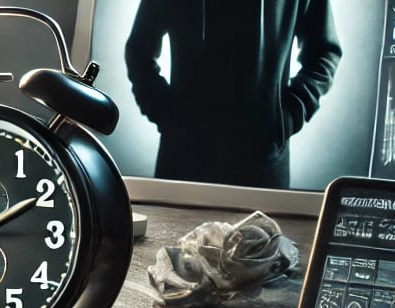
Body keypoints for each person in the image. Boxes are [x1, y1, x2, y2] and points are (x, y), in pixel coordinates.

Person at [125, 0, 342, 189]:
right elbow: (139, 49)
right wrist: (168, 117)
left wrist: (287, 117)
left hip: (262, 165)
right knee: (174, 226)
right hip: (184, 160)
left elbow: (324, 53)